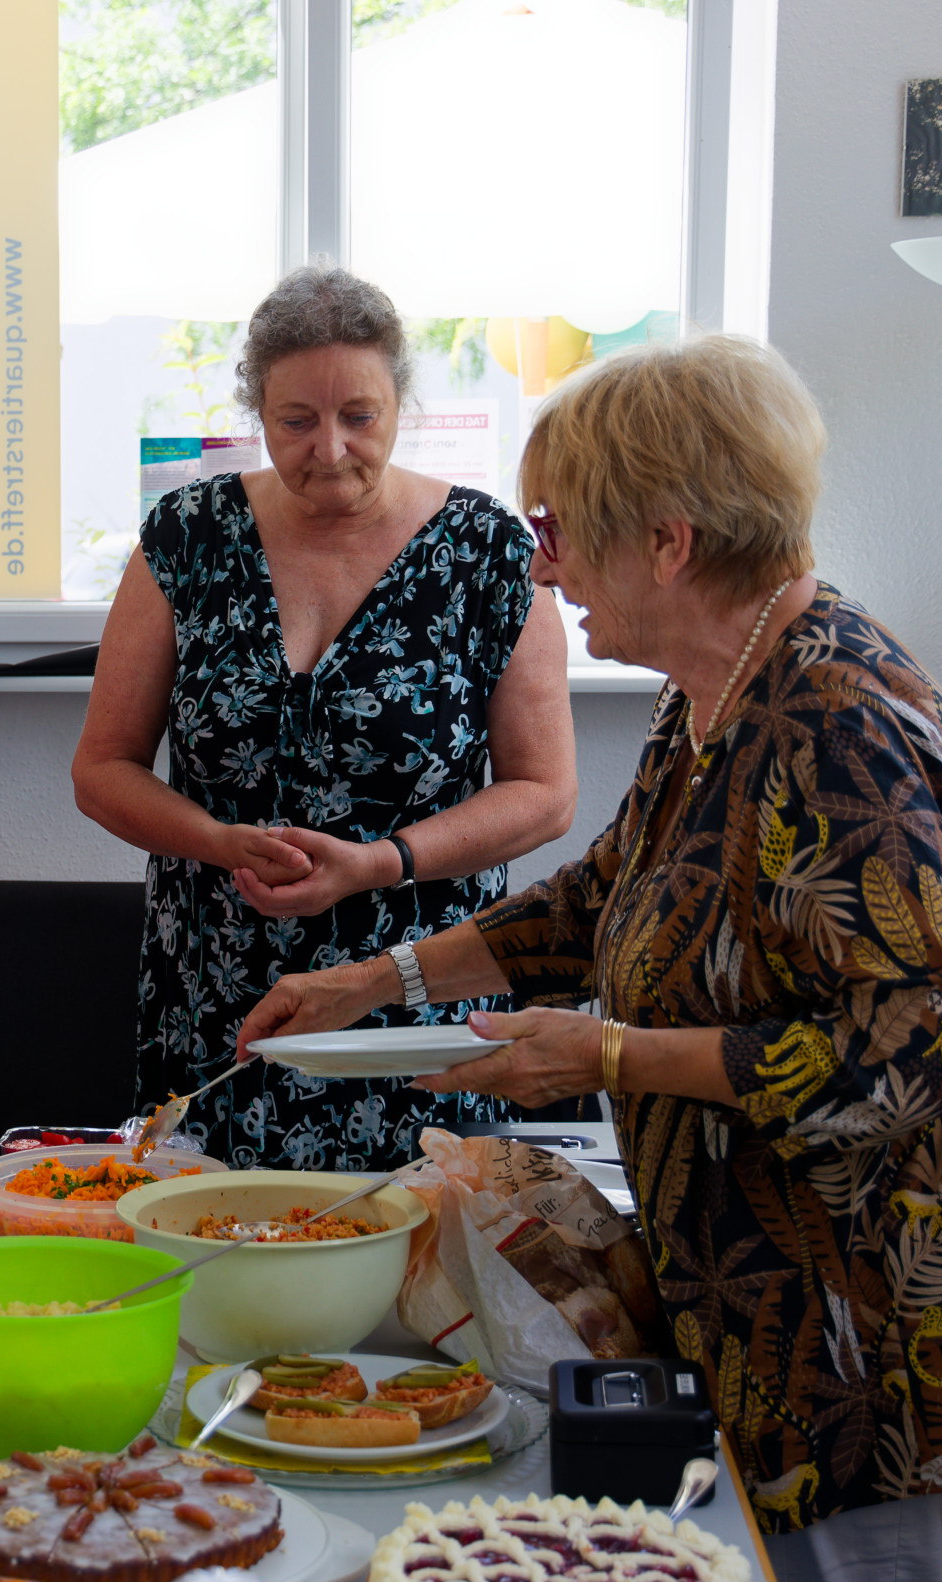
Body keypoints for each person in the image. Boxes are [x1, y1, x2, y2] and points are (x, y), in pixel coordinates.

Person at [237, 335, 942, 1582]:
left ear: (669, 541)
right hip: (778, 1300)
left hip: (884, 1326)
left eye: (557, 529)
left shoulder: (840, 722)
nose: (543, 565)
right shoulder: (718, 688)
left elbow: (909, 1050)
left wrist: (609, 1056)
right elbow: (605, 895)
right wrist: (378, 981)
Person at [71, 263, 578, 1170]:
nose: (330, 449)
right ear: (258, 414)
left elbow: (545, 794)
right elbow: (102, 769)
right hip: (215, 995)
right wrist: (218, 841)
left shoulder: (489, 553)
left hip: (414, 995)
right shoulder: (187, 537)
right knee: (209, 1232)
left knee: (417, 1235)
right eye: (296, 422)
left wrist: (380, 863)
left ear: (401, 404)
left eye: (360, 417)